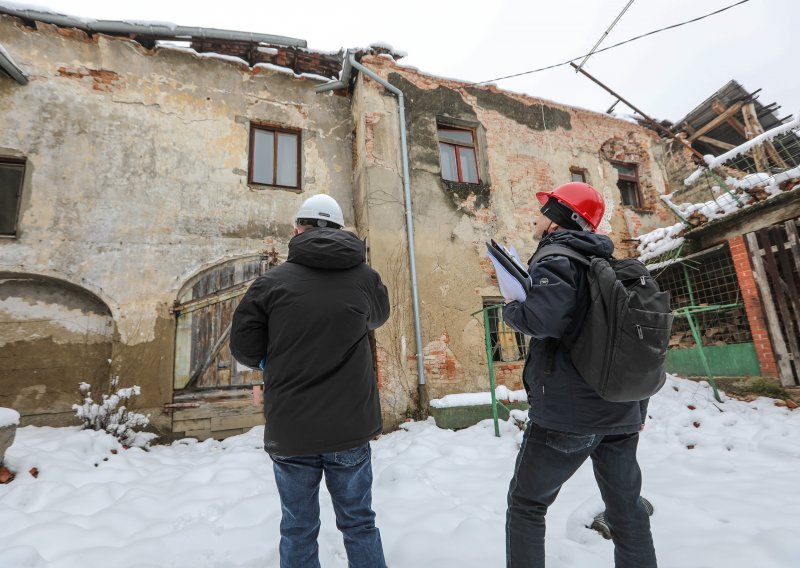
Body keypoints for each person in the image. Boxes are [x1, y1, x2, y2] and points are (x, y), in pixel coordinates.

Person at [230, 193, 390, 568]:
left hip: (292, 429)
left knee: (298, 527)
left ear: (296, 229)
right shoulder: (365, 277)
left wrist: (275, 358)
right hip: (350, 427)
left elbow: (244, 349)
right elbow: (377, 318)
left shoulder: (270, 283)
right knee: (359, 523)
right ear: (339, 228)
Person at [503, 182, 657, 568]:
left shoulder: (556, 257)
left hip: (568, 415)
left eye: (544, 210)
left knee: (526, 503)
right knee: (626, 511)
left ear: (558, 218)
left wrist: (510, 306)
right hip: (620, 412)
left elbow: (543, 320)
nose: (536, 217)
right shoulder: (608, 265)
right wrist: (637, 408)